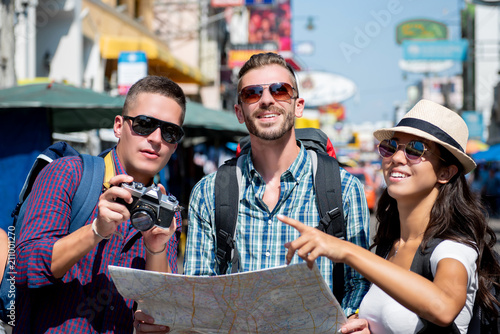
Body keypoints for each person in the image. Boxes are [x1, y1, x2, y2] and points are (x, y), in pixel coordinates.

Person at [280, 99, 500, 334]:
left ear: (445, 172)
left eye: (415, 149)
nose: (396, 157)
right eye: (391, 146)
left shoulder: (453, 247)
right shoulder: (389, 245)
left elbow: (443, 308)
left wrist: (346, 250)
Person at [15, 75, 185, 333]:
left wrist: (156, 250)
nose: (156, 138)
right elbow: (25, 267)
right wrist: (95, 231)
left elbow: (162, 310)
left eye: (170, 132)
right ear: (118, 126)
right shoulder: (68, 174)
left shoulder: (166, 212)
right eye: (144, 124)